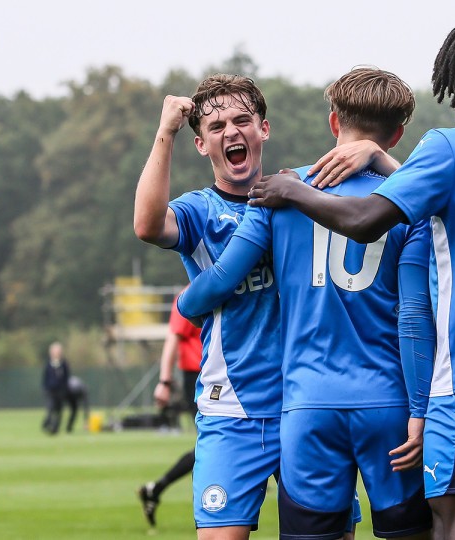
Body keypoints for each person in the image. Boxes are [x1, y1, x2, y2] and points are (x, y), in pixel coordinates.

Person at [247, 22, 455, 540]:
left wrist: (293, 190)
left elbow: (365, 220)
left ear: (449, 81)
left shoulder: (446, 146)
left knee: (453, 531)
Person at [179, 67, 433, 540]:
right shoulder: (409, 205)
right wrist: (421, 408)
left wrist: (187, 302)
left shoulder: (280, 190)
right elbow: (416, 318)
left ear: (333, 123)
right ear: (397, 134)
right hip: (389, 406)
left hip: (308, 407)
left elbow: (221, 281)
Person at [132, 74, 284, 539]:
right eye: (216, 127)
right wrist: (166, 131)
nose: (231, 132)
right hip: (229, 412)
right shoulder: (199, 210)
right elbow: (147, 224)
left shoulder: (296, 201)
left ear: (264, 129)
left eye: (242, 120)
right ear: (202, 144)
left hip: (302, 405)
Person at [137, 291, 203, 528]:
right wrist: (164, 382)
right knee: (211, 444)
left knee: (214, 444)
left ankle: (155, 489)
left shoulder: (228, 281)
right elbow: (173, 338)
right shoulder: (189, 295)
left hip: (226, 374)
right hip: (199, 378)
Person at [41, 341, 71, 435]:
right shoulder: (49, 363)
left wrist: (65, 388)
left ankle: (55, 427)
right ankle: (47, 422)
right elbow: (45, 377)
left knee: (59, 409)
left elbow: (66, 377)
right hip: (51, 390)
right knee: (50, 407)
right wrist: (45, 387)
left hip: (61, 390)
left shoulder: (63, 363)